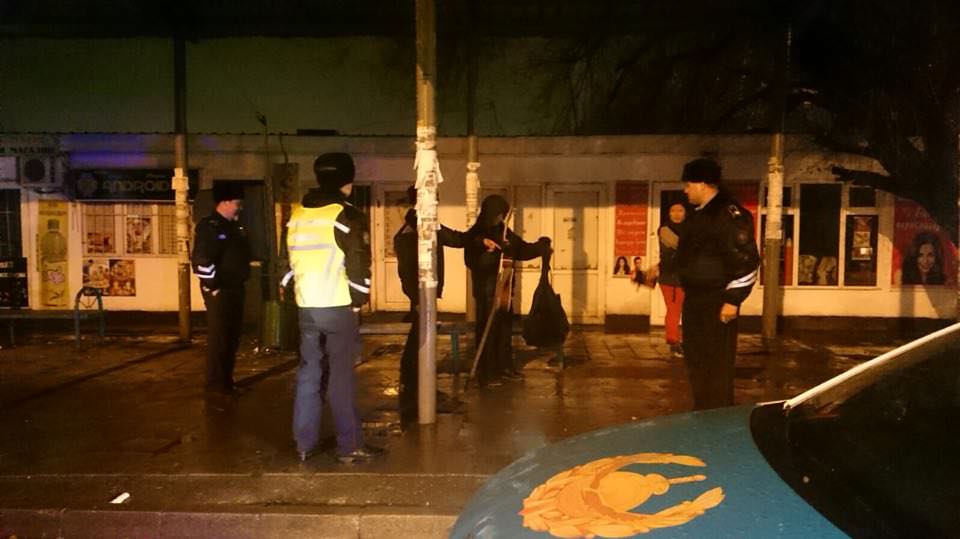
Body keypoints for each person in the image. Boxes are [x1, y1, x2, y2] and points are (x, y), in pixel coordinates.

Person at [282, 152, 383, 464]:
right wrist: (358, 302)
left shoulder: (296, 215)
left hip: (306, 306)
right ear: (347, 183)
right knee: (341, 377)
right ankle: (349, 446)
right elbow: (358, 264)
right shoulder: (346, 215)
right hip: (337, 306)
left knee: (309, 373)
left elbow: (286, 263)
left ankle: (304, 444)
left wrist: (295, 293)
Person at [675, 158, 759, 410]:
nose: (685, 190)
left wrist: (732, 300)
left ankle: (717, 415)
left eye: (689, 184)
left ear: (702, 183)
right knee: (697, 360)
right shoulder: (698, 216)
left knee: (717, 365)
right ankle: (703, 411)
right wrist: (659, 271)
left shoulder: (729, 215)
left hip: (717, 301)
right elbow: (692, 255)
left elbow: (748, 261)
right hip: (695, 300)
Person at [394, 186, 466, 425]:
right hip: (421, 296)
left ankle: (412, 383)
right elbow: (455, 239)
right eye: (435, 200)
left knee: (419, 339)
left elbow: (455, 239)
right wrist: (416, 299)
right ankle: (414, 386)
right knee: (420, 341)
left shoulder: (419, 225)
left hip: (422, 295)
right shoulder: (419, 227)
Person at [464, 194, 551, 387]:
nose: (500, 218)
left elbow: (521, 250)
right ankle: (487, 373)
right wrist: (493, 254)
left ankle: (504, 367)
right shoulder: (476, 234)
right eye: (498, 215)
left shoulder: (503, 231)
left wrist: (540, 248)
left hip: (504, 290)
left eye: (502, 215)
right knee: (488, 332)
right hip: (487, 292)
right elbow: (473, 262)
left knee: (504, 330)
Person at [192, 181, 251, 395]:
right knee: (220, 338)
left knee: (231, 337)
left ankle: (226, 381)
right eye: (237, 203)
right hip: (221, 291)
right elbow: (201, 261)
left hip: (235, 288)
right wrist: (213, 286)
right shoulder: (211, 227)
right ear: (224, 202)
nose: (240, 208)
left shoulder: (233, 227)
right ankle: (216, 385)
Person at [658, 202, 687, 359]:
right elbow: (681, 246)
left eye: (680, 210)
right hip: (670, 277)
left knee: (681, 310)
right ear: (668, 213)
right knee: (674, 310)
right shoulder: (665, 229)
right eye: (673, 210)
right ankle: (673, 341)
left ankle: (679, 340)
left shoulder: (689, 229)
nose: (677, 213)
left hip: (686, 277)